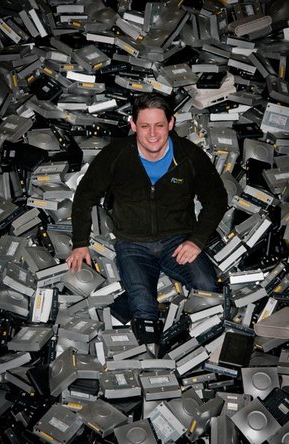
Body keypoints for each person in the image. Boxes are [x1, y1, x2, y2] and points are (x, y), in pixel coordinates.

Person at [67, 93, 228, 341]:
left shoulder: (189, 156)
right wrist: (79, 243)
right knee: (144, 313)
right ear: (133, 125)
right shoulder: (116, 155)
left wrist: (197, 240)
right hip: (132, 244)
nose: (152, 133)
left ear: (171, 123)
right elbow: (85, 196)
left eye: (159, 125)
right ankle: (154, 363)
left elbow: (217, 198)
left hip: (177, 241)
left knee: (208, 289)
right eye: (144, 126)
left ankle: (192, 340)